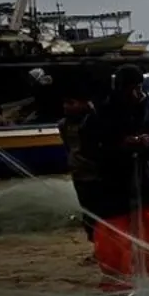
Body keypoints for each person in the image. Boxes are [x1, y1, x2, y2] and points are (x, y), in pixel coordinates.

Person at [80, 64, 149, 292]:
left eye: (136, 88)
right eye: (127, 89)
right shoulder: (100, 114)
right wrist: (119, 146)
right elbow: (88, 148)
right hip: (112, 183)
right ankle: (116, 282)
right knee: (112, 236)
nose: (133, 94)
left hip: (148, 181)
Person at [57, 86, 99, 265]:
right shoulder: (64, 125)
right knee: (88, 215)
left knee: (102, 214)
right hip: (79, 175)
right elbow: (69, 148)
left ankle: (105, 249)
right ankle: (97, 248)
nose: (66, 107)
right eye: (65, 103)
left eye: (71, 103)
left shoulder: (95, 122)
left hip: (97, 175)